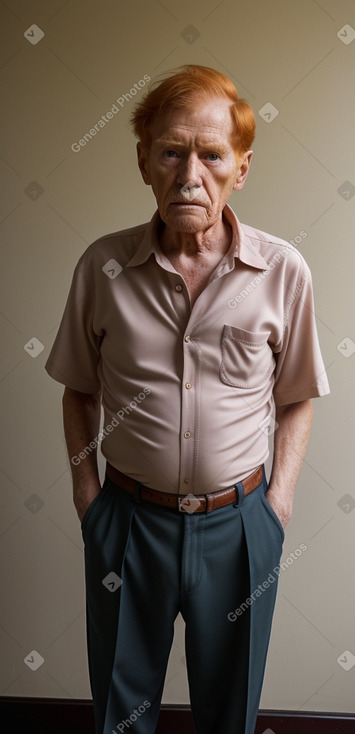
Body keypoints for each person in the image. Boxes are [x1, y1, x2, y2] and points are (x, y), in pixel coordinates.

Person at [45, 64, 330, 734]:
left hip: (240, 526)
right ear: (144, 161)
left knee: (228, 713)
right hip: (128, 523)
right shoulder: (101, 268)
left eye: (210, 155)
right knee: (121, 714)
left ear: (241, 167)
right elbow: (78, 389)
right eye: (171, 152)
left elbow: (295, 400)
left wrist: (276, 507)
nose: (189, 174)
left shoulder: (282, 270)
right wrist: (90, 503)